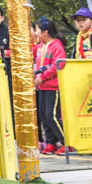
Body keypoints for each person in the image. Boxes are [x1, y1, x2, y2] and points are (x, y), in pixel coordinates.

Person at [32, 18, 66, 152]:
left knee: (52, 116)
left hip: (53, 86)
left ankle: (66, 141)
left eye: (37, 30)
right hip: (42, 86)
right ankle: (51, 142)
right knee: (44, 116)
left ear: (45, 32)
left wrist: (43, 77)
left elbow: (59, 64)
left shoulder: (56, 45)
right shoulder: (39, 47)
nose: (35, 33)